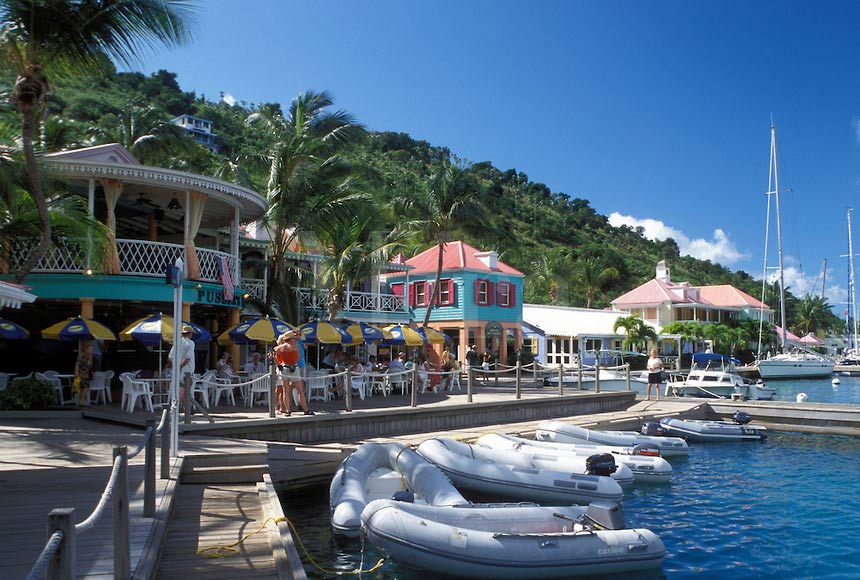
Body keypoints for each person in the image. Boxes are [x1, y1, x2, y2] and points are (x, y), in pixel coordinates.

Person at [274, 329, 313, 416]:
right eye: (294, 338)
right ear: (290, 339)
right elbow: (297, 357)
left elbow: (274, 357)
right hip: (293, 368)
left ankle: (288, 410)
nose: (295, 340)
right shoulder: (294, 347)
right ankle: (306, 409)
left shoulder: (280, 348)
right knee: (300, 390)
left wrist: (279, 364)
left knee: (286, 391)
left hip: (284, 368)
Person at [167, 325, 195, 406]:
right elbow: (187, 358)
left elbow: (170, 357)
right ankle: (178, 406)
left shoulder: (177, 342)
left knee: (179, 389)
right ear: (190, 334)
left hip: (176, 371)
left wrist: (175, 367)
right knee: (185, 389)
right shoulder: (190, 343)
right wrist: (179, 367)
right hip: (187, 371)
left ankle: (184, 407)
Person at [74, 338, 94, 406]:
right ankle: (81, 400)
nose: (91, 351)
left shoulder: (89, 357)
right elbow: (77, 364)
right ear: (86, 349)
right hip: (82, 374)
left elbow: (90, 366)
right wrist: (76, 372)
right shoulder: (82, 356)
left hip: (87, 374)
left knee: (85, 387)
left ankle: (81, 400)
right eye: (90, 349)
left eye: (92, 349)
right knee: (85, 387)